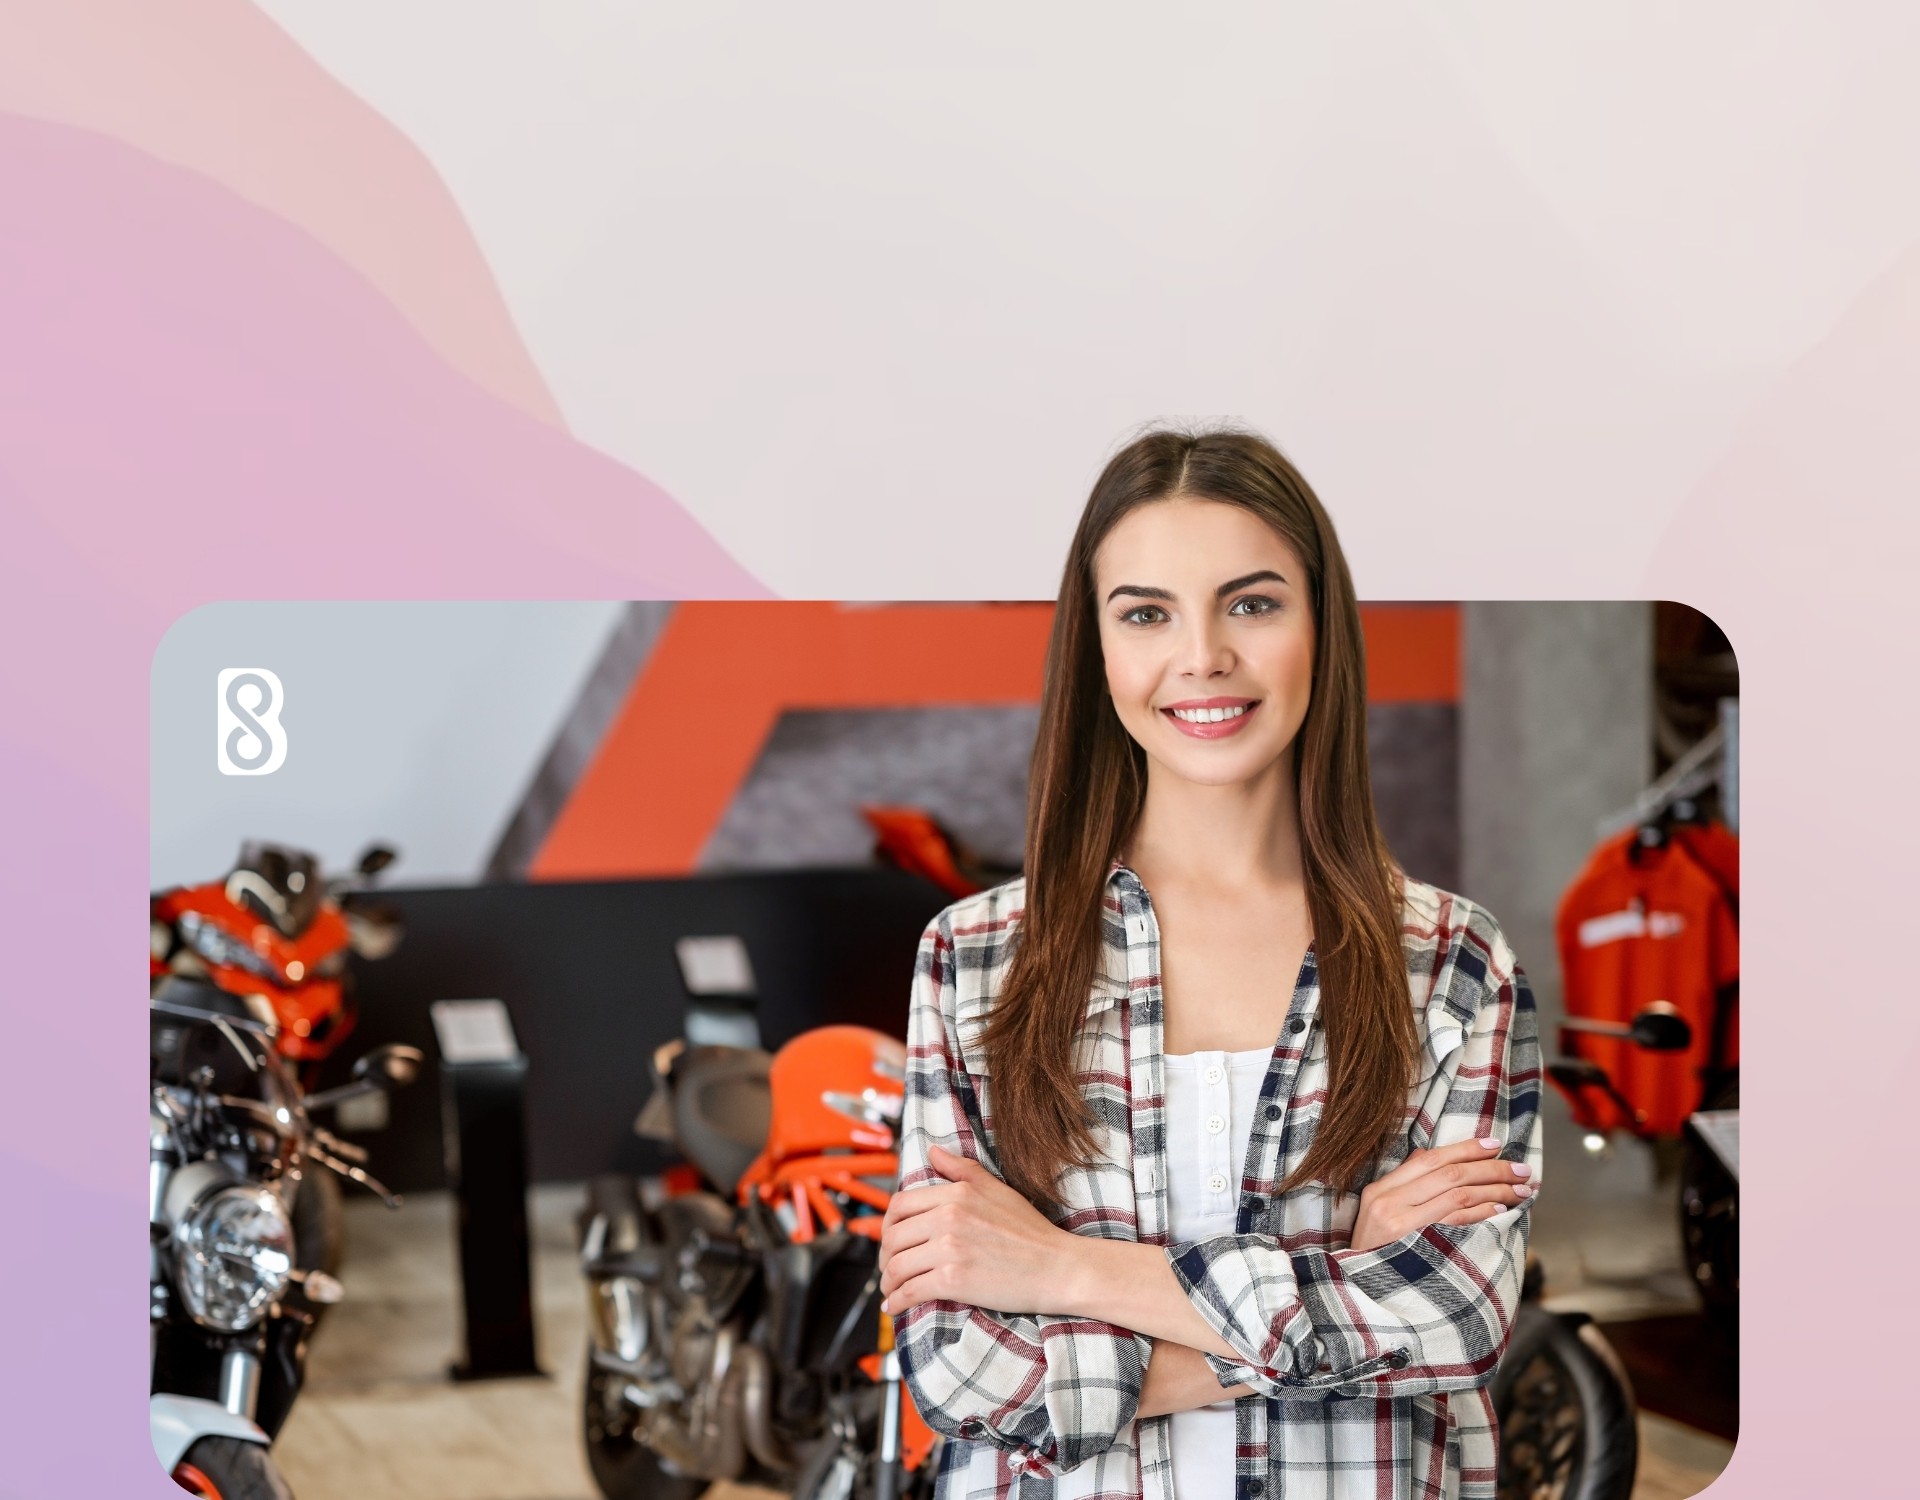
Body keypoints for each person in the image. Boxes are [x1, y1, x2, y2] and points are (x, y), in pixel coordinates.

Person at [876, 426, 1543, 1500]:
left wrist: (1060, 1270)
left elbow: (1457, 1319)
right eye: (1147, 613)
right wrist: (1338, 1291)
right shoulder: (975, 959)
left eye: (1253, 603)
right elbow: (956, 1372)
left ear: (1322, 626)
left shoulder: (1452, 960)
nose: (1202, 658)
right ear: (1097, 650)